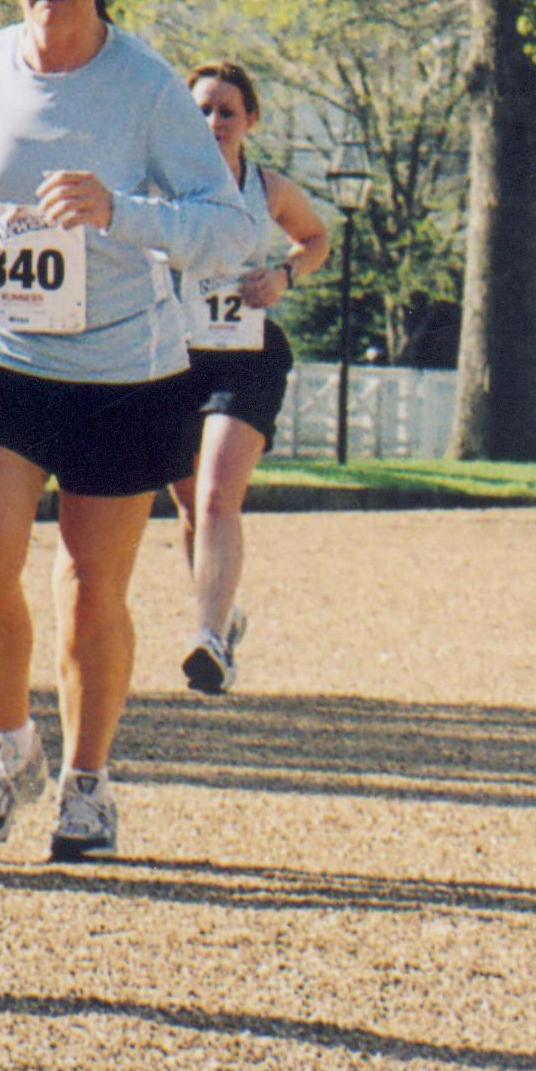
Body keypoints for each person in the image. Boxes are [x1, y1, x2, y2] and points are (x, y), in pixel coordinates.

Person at [0, 0, 267, 861]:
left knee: (89, 586)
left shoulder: (149, 88)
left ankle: (86, 780)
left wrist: (123, 211)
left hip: (122, 361)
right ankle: (7, 743)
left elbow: (233, 231)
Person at [163, 62, 332, 694]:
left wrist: (286, 275)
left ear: (249, 120)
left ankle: (207, 640)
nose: (212, 123)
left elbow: (315, 239)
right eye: (201, 110)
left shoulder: (268, 189)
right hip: (176, 357)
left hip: (246, 356)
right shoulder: (161, 185)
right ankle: (222, 616)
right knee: (189, 505)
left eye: (226, 111)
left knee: (215, 499)